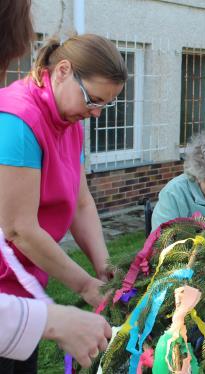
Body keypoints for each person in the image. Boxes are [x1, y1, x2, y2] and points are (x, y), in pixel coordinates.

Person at [0, 28, 127, 371]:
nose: (97, 112)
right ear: (62, 71)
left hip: (25, 290)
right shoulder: (17, 122)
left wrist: (104, 268)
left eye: (105, 104)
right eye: (93, 100)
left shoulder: (70, 120)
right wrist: (84, 284)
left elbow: (81, 201)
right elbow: (18, 229)